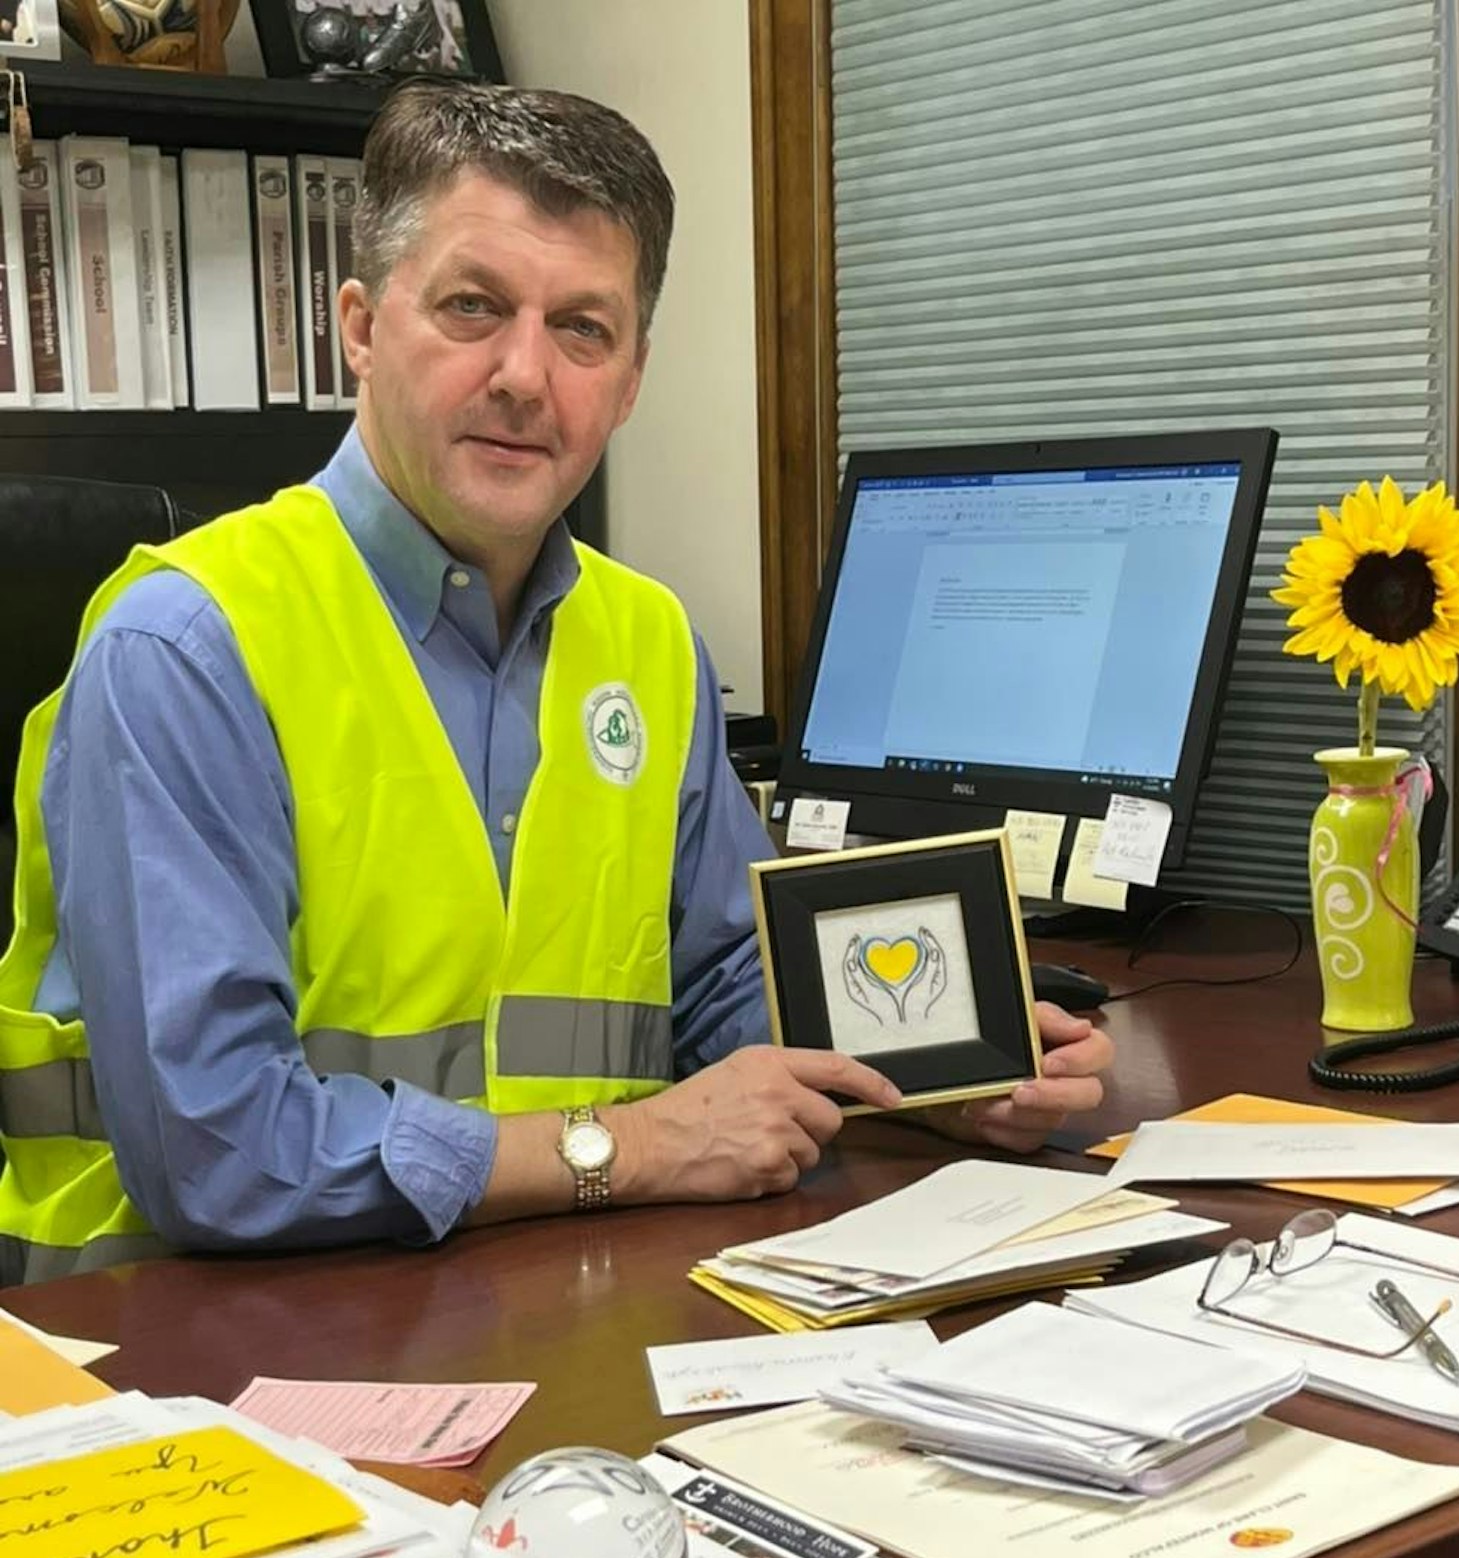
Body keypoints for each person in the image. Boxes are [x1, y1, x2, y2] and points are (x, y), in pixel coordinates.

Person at [0, 81, 1112, 1286]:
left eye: (583, 328)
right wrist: (623, 1148)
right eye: (473, 306)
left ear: (629, 379)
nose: (526, 375)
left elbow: (722, 989)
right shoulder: (190, 647)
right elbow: (219, 1149)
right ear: (361, 329)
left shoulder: (645, 639)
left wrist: (935, 1078)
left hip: (548, 1296)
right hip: (196, 1354)